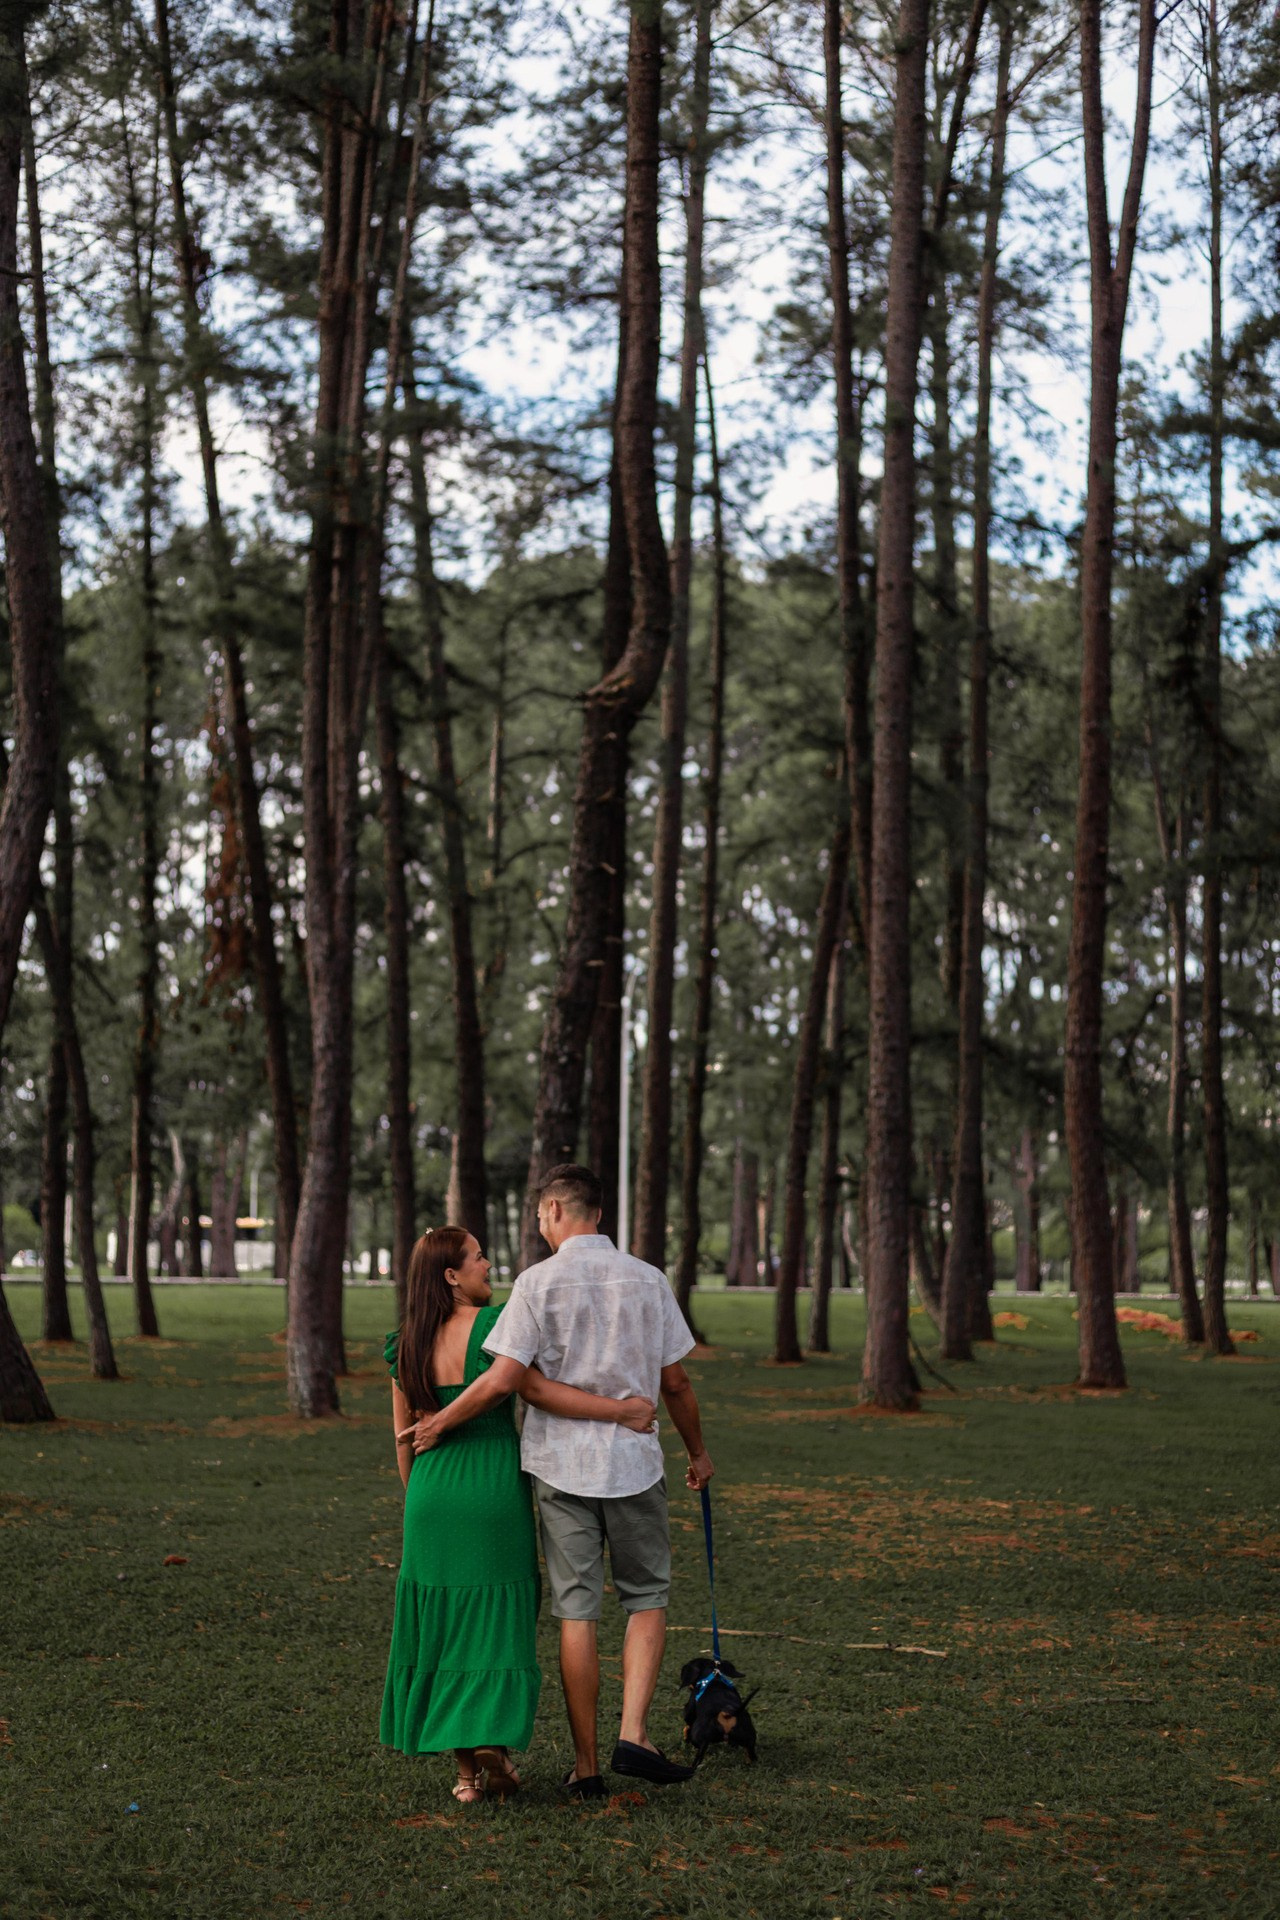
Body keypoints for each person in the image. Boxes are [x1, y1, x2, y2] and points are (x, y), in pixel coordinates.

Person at [402, 1164, 715, 1801]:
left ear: (551, 1211)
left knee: (577, 1610)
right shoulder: (648, 1280)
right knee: (646, 1598)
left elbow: (508, 1380)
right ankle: (635, 1732)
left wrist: (438, 1424)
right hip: (634, 1466)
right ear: (597, 1212)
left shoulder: (535, 1285)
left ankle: (587, 1764)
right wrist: (699, 1454)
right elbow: (676, 1383)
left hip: (561, 1471)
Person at [381, 1224, 657, 1806]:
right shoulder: (493, 1326)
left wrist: (422, 1502)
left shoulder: (403, 1342)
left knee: (446, 1623)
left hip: (431, 1494)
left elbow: (403, 1440)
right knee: (498, 1621)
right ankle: (498, 1748)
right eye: (478, 1258)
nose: (489, 1265)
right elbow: (532, 1389)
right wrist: (622, 1410)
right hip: (493, 1485)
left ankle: (466, 1776)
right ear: (452, 1275)